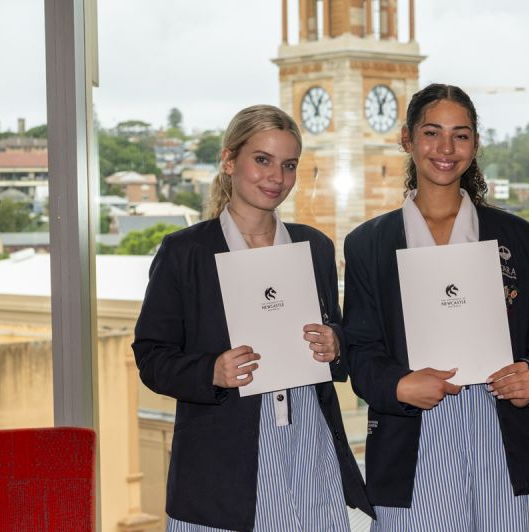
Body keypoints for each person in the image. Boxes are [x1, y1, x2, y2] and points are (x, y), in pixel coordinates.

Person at [342, 84, 529, 531]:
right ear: (407, 140)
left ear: (475, 143)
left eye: (461, 135)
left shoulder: (515, 236)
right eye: (432, 133)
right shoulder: (367, 245)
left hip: (506, 433)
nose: (446, 149)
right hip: (413, 442)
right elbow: (360, 350)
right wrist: (399, 385)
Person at [133, 104, 373, 532]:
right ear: (229, 161)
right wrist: (211, 371)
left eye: (288, 165)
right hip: (223, 467)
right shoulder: (184, 252)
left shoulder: (314, 246)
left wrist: (336, 344)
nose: (276, 177)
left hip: (309, 447)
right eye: (261, 160)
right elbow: (152, 357)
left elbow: (344, 341)